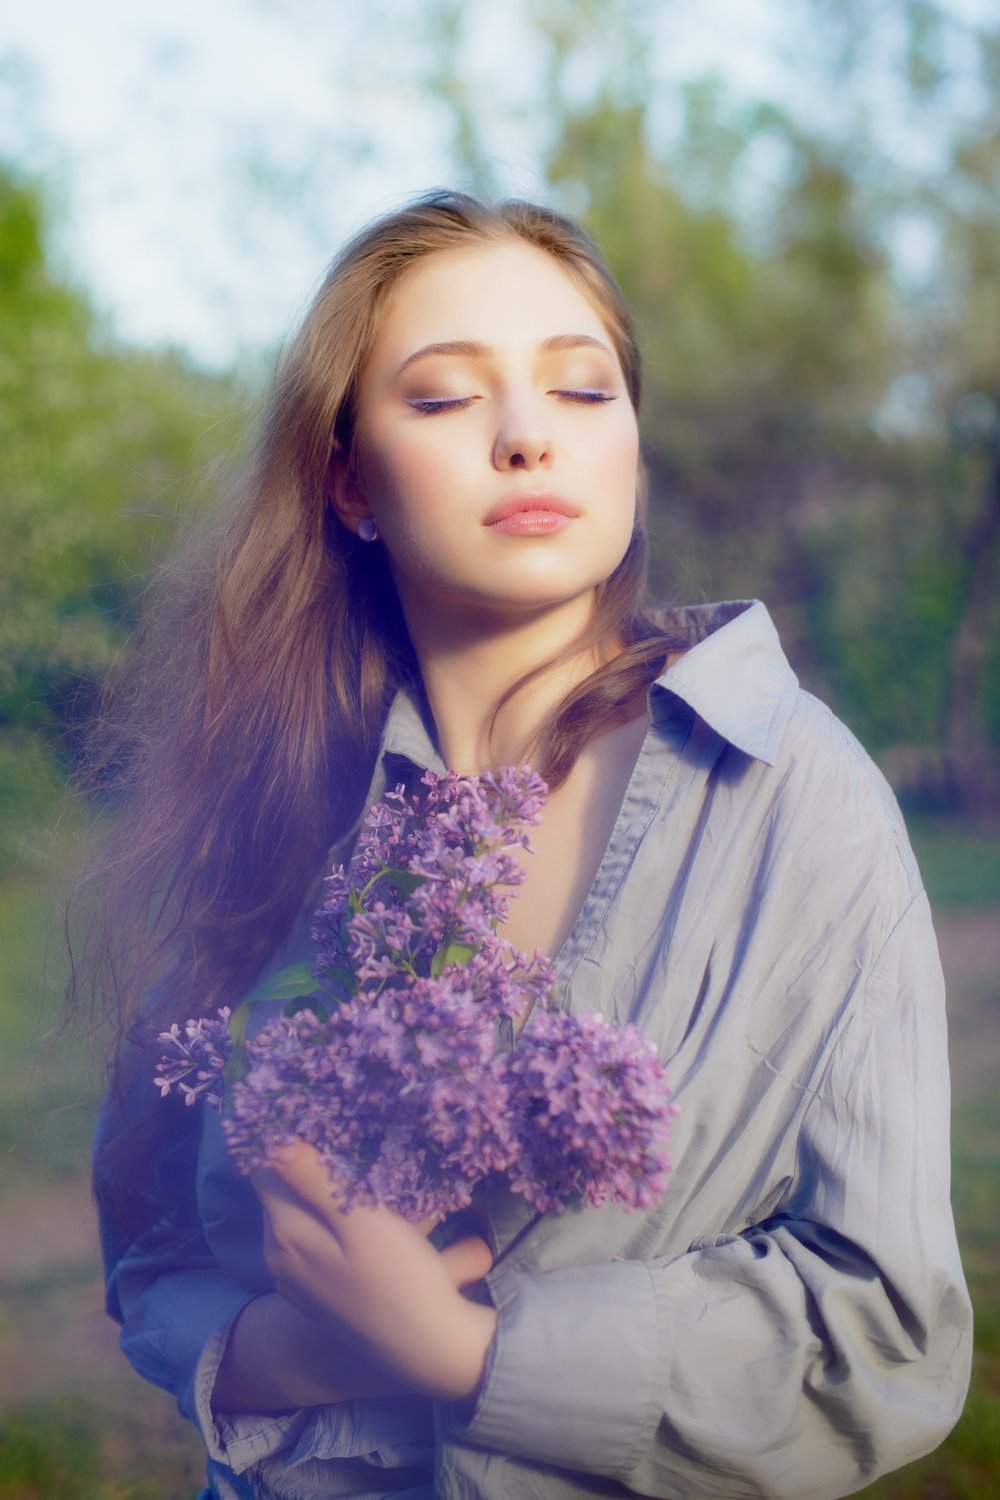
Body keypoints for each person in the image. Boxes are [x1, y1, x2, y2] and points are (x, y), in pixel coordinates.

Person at [80, 190, 972, 1499]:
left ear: (634, 446)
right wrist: (292, 1355)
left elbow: (885, 1335)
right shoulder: (286, 805)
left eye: (583, 390)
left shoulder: (792, 791)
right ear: (349, 481)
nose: (525, 440)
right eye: (443, 399)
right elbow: (155, 1254)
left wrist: (456, 1352)